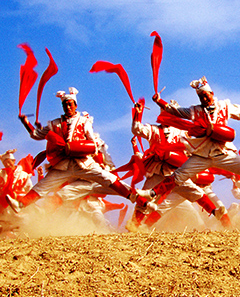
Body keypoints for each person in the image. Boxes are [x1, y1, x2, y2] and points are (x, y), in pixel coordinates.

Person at [138, 76, 240, 203]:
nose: (204, 99)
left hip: (223, 152)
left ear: (212, 93)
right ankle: (152, 193)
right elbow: (176, 111)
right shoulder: (196, 111)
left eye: (206, 96)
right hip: (202, 153)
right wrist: (159, 101)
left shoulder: (223, 106)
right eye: (201, 97)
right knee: (179, 175)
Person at [7, 88, 148, 212]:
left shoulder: (84, 122)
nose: (67, 107)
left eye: (70, 104)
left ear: (75, 105)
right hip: (64, 165)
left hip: (83, 163)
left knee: (109, 179)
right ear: (62, 106)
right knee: (44, 185)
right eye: (65, 104)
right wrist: (26, 123)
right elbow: (36, 135)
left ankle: (139, 201)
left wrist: (77, 148)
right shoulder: (54, 124)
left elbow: (92, 143)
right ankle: (21, 204)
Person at [127, 101, 225, 231]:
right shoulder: (153, 129)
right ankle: (134, 225)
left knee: (195, 192)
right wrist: (137, 116)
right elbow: (136, 129)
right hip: (157, 172)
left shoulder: (180, 132)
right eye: (165, 114)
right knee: (144, 196)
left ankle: (214, 212)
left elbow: (191, 146)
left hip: (175, 173)